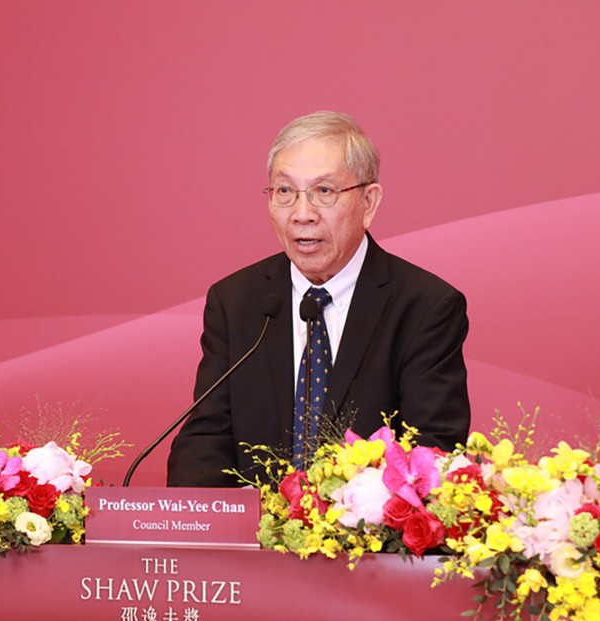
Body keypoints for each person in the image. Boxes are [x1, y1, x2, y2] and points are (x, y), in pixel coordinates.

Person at [167, 111, 469, 487]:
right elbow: (205, 440)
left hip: (362, 524)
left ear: (369, 202)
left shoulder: (424, 307)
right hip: (253, 524)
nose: (302, 214)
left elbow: (431, 453)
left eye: (323, 192)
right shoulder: (236, 302)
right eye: (285, 192)